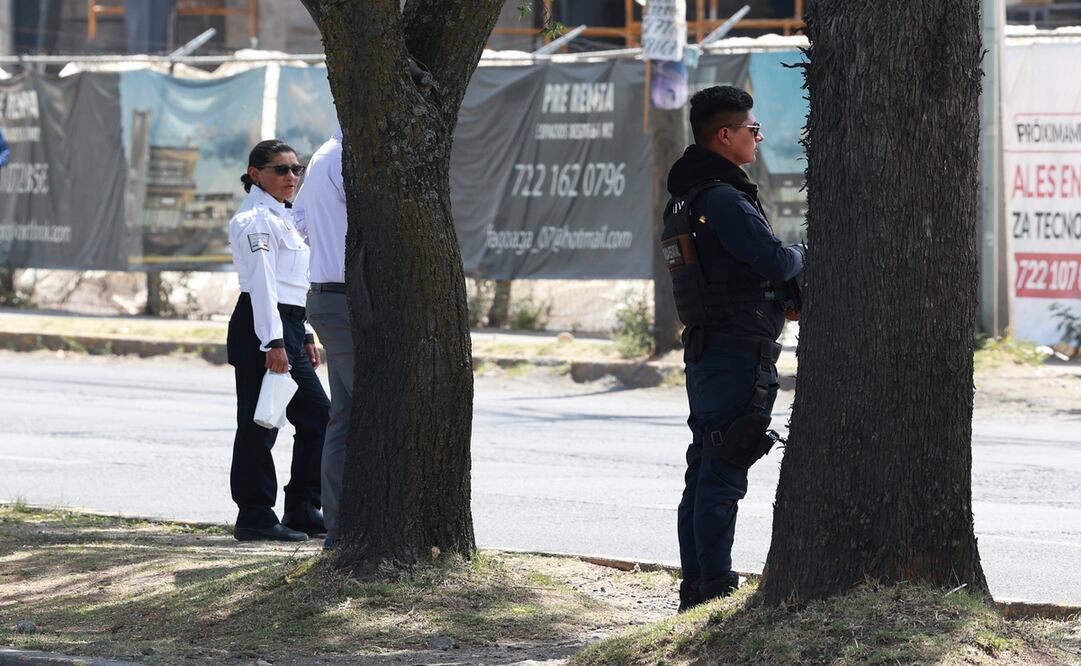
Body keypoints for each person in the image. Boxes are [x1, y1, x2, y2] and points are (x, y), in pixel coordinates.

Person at [662, 86, 805, 610]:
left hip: (711, 347)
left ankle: (697, 586)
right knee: (722, 468)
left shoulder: (688, 196)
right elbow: (771, 260)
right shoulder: (721, 197)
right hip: (736, 349)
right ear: (725, 135)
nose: (758, 136)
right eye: (751, 129)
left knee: (705, 467)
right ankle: (714, 589)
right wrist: (806, 253)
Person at [227, 139, 330, 542]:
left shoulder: (281, 217)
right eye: (281, 170)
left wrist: (301, 332)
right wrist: (273, 342)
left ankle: (303, 507)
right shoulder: (254, 218)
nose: (292, 177)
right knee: (259, 422)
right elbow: (264, 285)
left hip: (286, 325)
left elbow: (291, 283)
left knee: (317, 415)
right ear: (256, 174)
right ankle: (254, 514)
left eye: (296, 170)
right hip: (260, 326)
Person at [292, 127, 360, 551]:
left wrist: (327, 250)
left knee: (347, 414)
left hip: (330, 293)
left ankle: (339, 524)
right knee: (369, 409)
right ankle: (341, 525)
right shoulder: (342, 158)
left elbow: (299, 220)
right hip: (342, 296)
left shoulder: (324, 155)